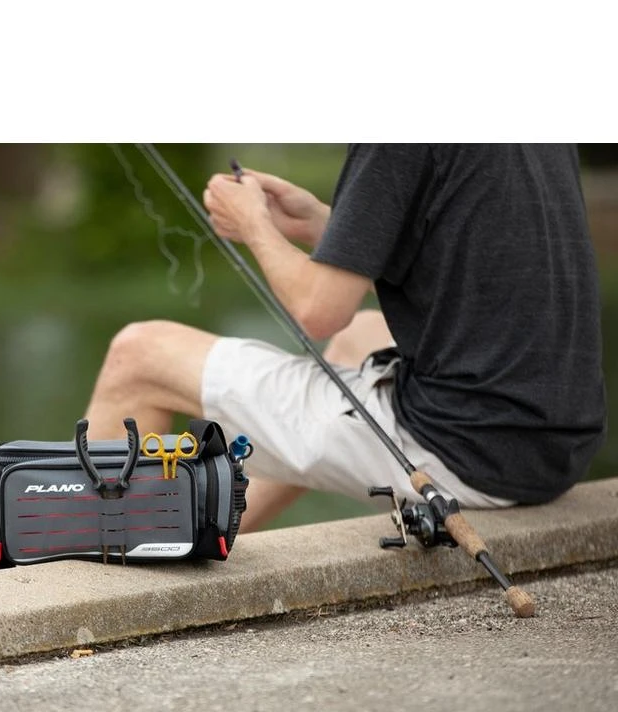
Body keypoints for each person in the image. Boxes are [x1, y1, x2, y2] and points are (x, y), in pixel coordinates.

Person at [82, 144, 607, 532]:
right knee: (362, 335)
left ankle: (100, 574)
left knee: (138, 357)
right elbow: (468, 255)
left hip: (467, 453)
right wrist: (324, 224)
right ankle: (214, 528)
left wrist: (254, 224)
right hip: (556, 449)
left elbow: (318, 310)